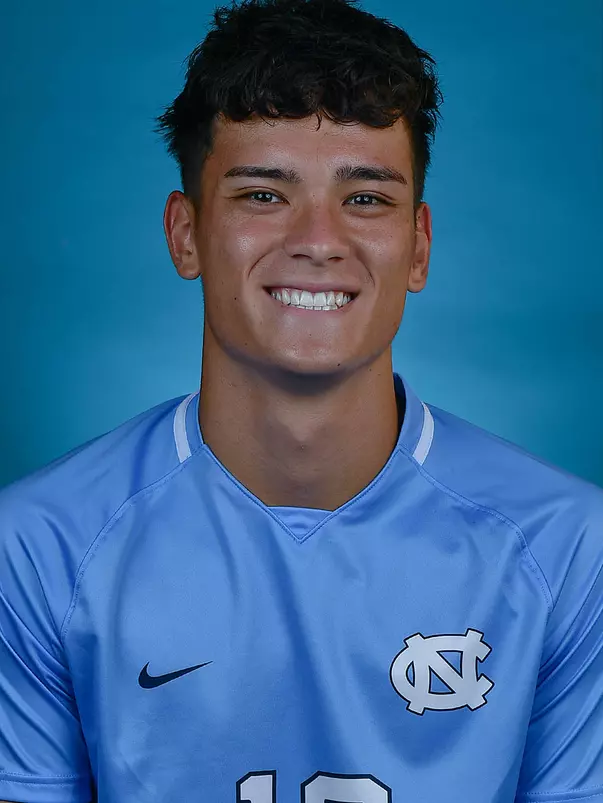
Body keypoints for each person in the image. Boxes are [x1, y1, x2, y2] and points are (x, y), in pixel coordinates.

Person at [1, 0, 602, 800]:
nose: (318, 240)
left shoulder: (567, 549)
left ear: (417, 246)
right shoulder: (39, 547)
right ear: (185, 234)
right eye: (262, 195)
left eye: (364, 199)